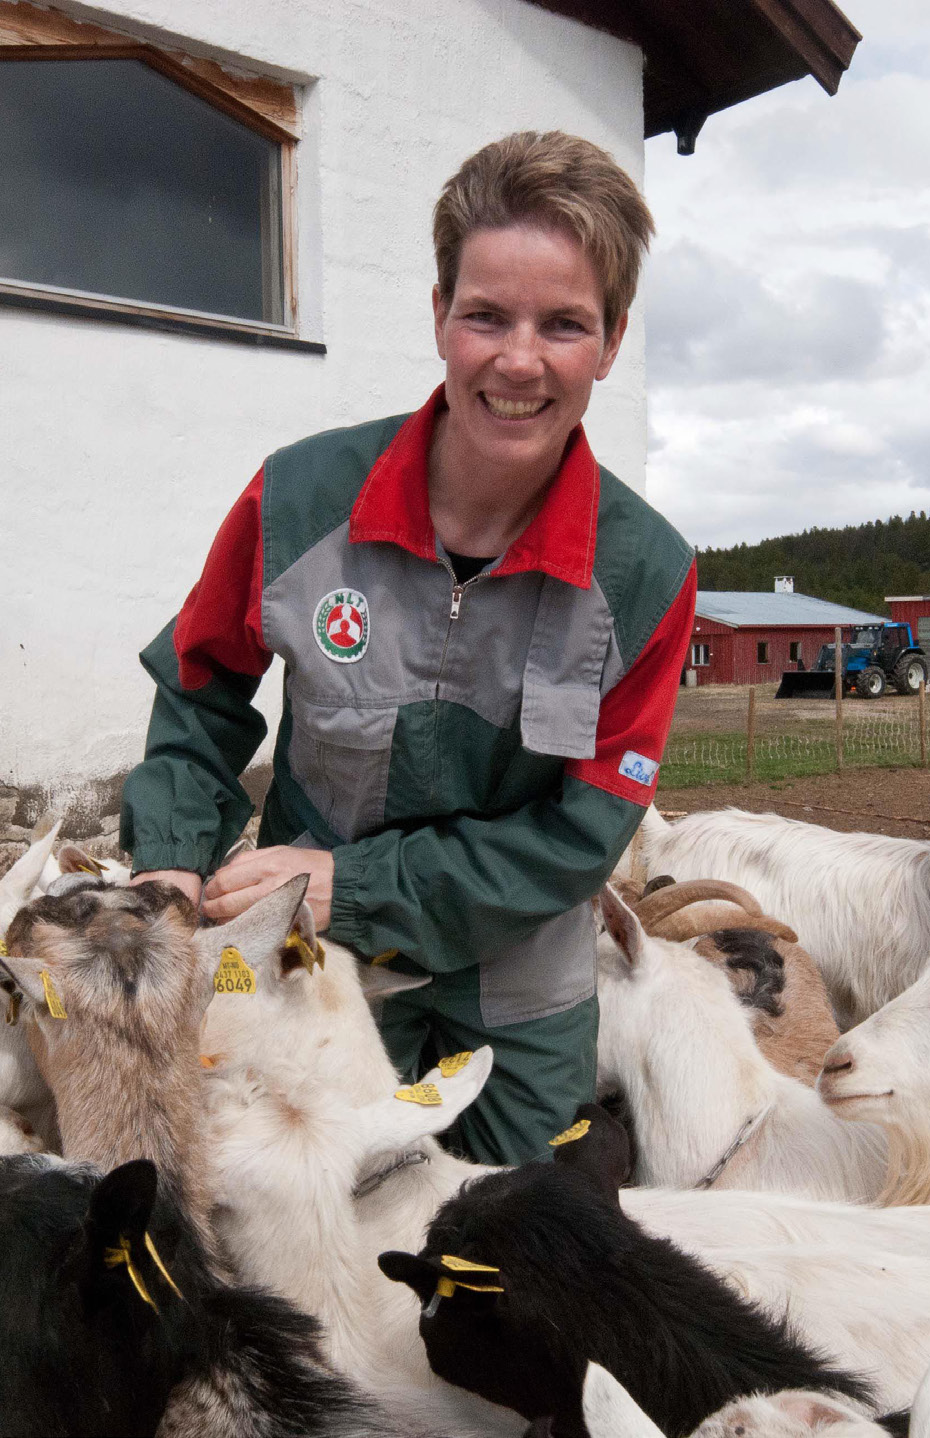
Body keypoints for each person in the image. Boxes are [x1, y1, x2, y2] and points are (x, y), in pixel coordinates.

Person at [122, 131, 696, 1163]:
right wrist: (167, 868)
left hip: (523, 1001)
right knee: (307, 1238)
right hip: (313, 970)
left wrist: (366, 883)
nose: (519, 360)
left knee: (499, 1270)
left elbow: (582, 834)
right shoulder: (297, 502)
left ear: (610, 342)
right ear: (438, 316)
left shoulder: (647, 577)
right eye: (486, 315)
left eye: (563, 324)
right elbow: (199, 694)